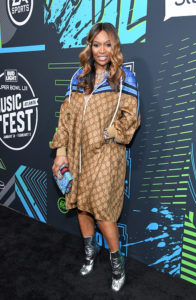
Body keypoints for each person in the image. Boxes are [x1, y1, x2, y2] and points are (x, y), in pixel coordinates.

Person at [50, 22, 140, 292]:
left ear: (115, 47)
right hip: (78, 154)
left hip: (107, 155)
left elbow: (132, 117)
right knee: (81, 206)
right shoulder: (78, 77)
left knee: (102, 212)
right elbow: (65, 118)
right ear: (90, 46)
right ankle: (90, 254)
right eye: (96, 44)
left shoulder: (124, 78)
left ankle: (116, 265)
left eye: (107, 44)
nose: (102, 50)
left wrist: (114, 131)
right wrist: (61, 152)